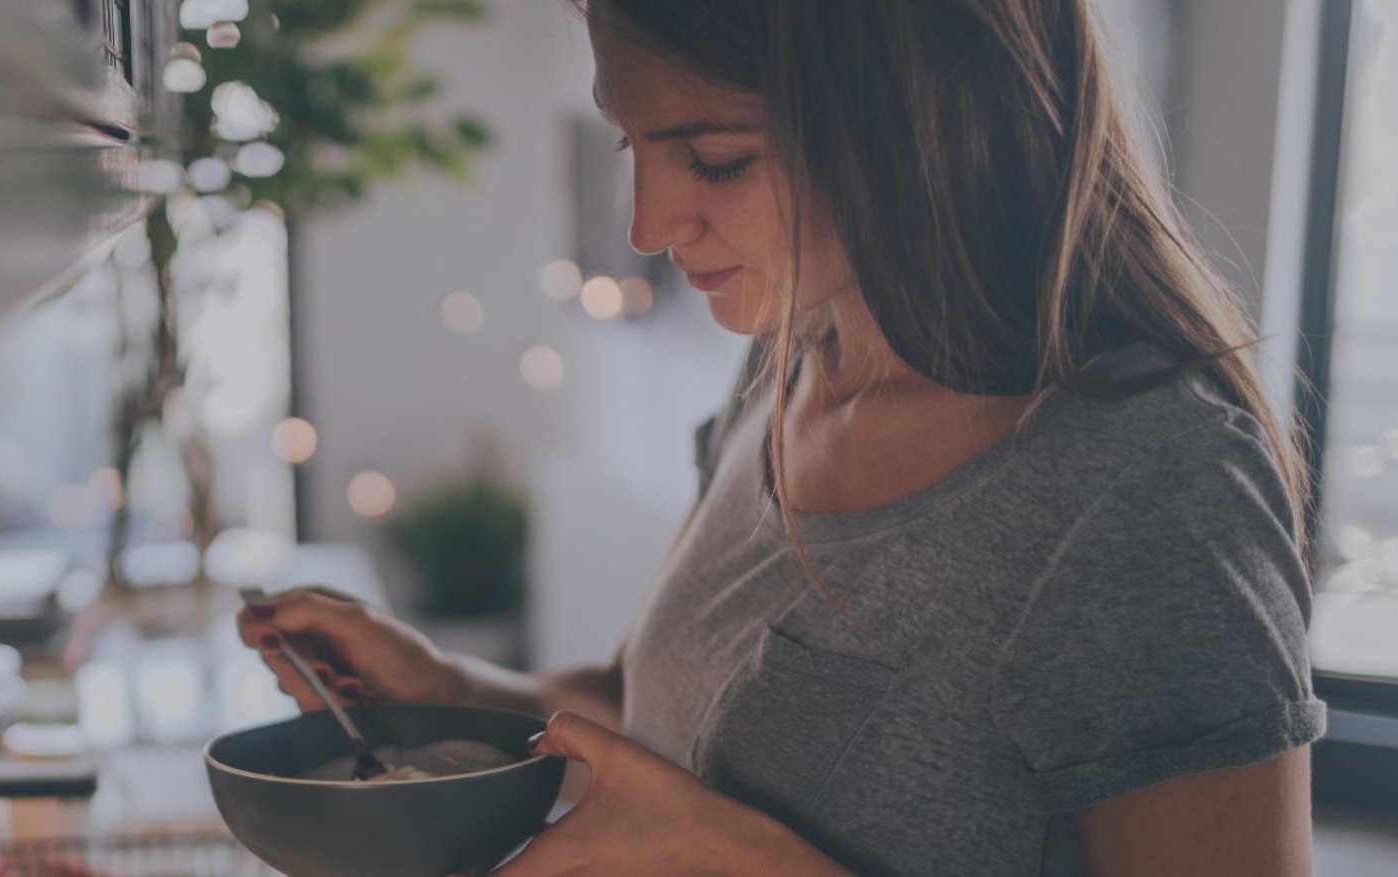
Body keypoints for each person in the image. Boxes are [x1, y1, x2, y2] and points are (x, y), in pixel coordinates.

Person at [238, 0, 1324, 874]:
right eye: (633, 142)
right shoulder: (792, 358)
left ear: (931, 119)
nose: (649, 227)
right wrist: (454, 694)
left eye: (712, 157)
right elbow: (655, 714)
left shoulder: (1147, 495)